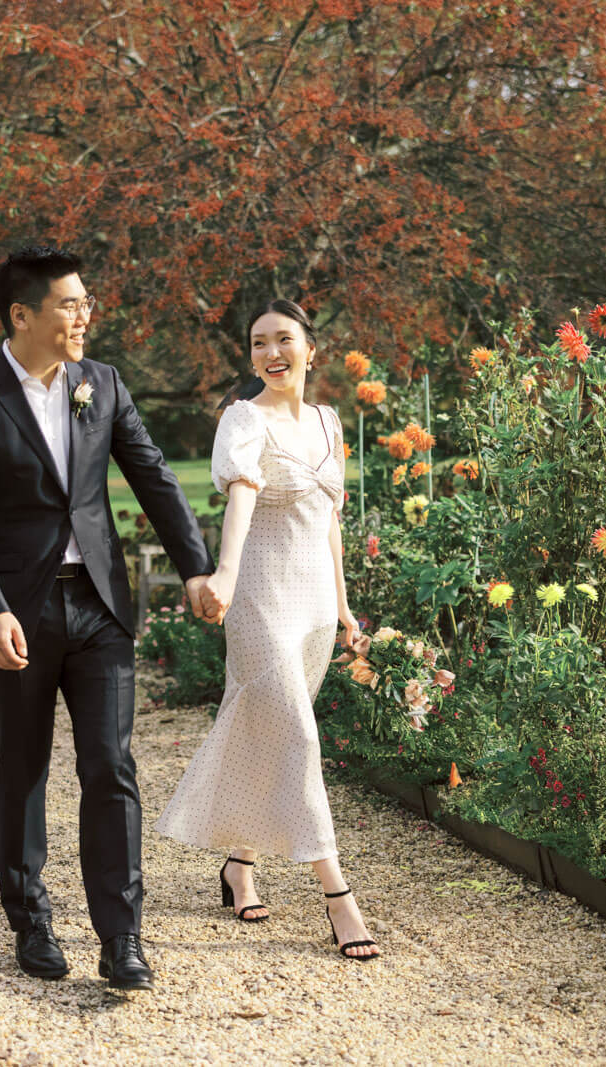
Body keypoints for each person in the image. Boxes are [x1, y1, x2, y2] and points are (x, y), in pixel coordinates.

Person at [0, 244, 215, 989]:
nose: (85, 314)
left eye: (86, 301)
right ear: (22, 314)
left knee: (112, 766)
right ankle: (30, 919)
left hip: (99, 606)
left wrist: (195, 568)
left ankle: (121, 936)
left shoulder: (104, 383)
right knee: (23, 767)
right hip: (18, 614)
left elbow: (152, 475)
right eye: (70, 303)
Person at [155, 298, 380, 960]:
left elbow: (330, 523)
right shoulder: (243, 419)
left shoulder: (329, 421)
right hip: (258, 599)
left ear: (313, 349)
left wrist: (343, 610)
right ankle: (338, 895)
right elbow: (243, 497)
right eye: (258, 343)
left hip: (312, 604)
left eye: (284, 340)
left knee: (268, 730)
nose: (271, 353)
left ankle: (238, 864)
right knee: (299, 735)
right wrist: (223, 575)